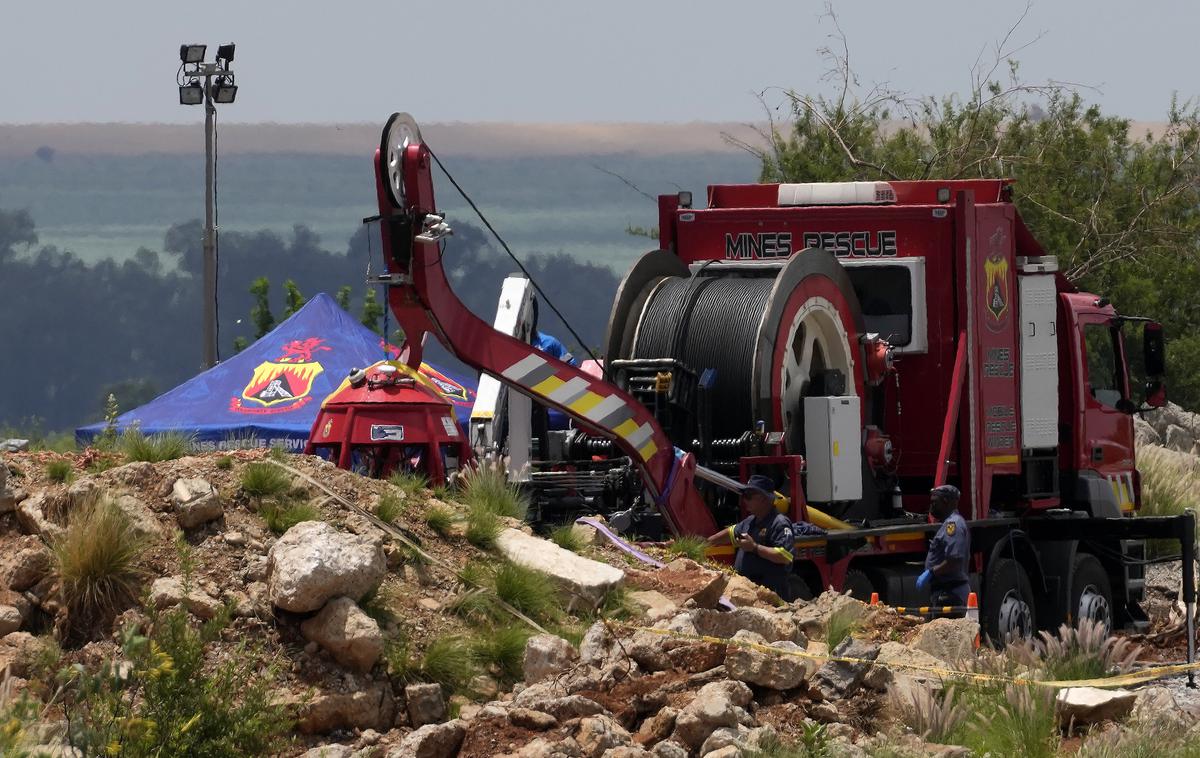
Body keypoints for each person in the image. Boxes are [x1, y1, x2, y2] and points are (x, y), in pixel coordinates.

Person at [706, 474, 796, 600]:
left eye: (748, 496)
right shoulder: (750, 521)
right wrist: (704, 543)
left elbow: (785, 556)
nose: (744, 500)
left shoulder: (779, 523)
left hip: (769, 596)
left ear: (764, 498)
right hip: (749, 594)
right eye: (744, 496)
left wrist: (754, 547)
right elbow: (730, 533)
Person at [916, 484, 971, 609]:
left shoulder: (953, 524)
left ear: (945, 501)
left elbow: (954, 560)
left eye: (935, 502)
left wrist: (931, 572)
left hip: (951, 594)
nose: (931, 507)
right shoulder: (948, 523)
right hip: (946, 592)